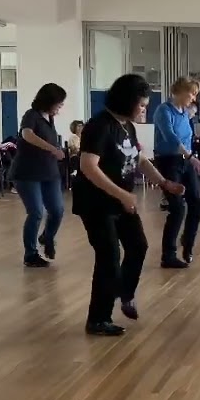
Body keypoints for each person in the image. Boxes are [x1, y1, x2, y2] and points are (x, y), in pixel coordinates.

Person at [76, 74, 182, 336]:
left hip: (120, 201)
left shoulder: (127, 126)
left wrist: (164, 182)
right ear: (127, 101)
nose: (144, 109)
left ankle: (124, 293)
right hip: (97, 203)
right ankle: (98, 319)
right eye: (142, 104)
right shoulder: (100, 126)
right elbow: (88, 166)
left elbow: (140, 160)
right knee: (109, 257)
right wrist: (122, 195)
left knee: (138, 246)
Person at [11, 83, 67, 268]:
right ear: (48, 101)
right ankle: (31, 254)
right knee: (35, 212)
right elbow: (27, 135)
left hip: (49, 173)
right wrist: (52, 149)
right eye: (58, 104)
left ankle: (47, 237)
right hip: (27, 173)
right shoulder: (31, 115)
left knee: (57, 210)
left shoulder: (50, 119)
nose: (60, 108)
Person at [153, 76, 200, 269]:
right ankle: (168, 255)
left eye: (195, 94)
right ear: (180, 91)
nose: (193, 98)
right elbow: (170, 136)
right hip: (168, 161)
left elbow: (187, 135)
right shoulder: (163, 111)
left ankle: (188, 242)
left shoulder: (184, 113)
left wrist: (190, 158)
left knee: (197, 201)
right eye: (191, 93)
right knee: (177, 208)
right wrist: (191, 157)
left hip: (184, 161)